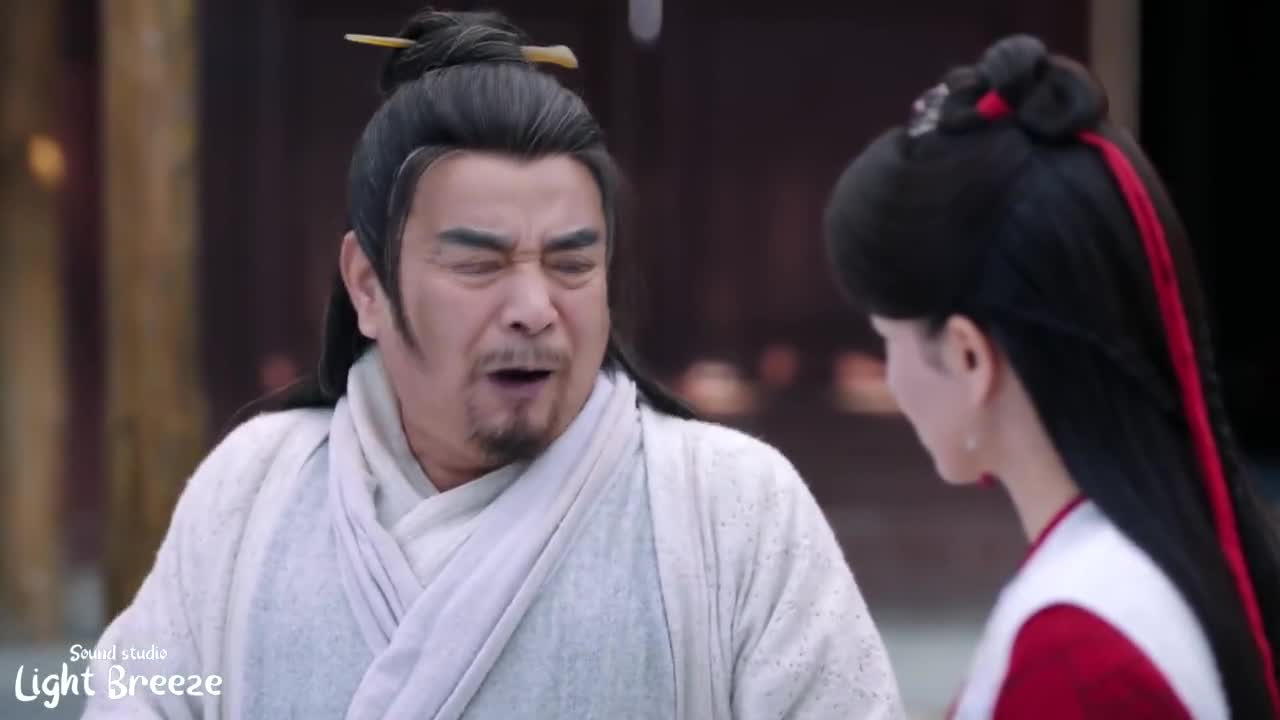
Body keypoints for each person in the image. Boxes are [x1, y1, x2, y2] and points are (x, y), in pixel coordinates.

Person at [83, 7, 904, 719]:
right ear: (368, 285)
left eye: (571, 264)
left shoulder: (731, 508)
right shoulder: (251, 490)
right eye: (479, 264)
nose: (534, 307)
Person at [822, 34, 1280, 719]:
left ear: (970, 357)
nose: (891, 379)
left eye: (889, 341)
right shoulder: (1146, 568)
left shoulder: (1079, 659)